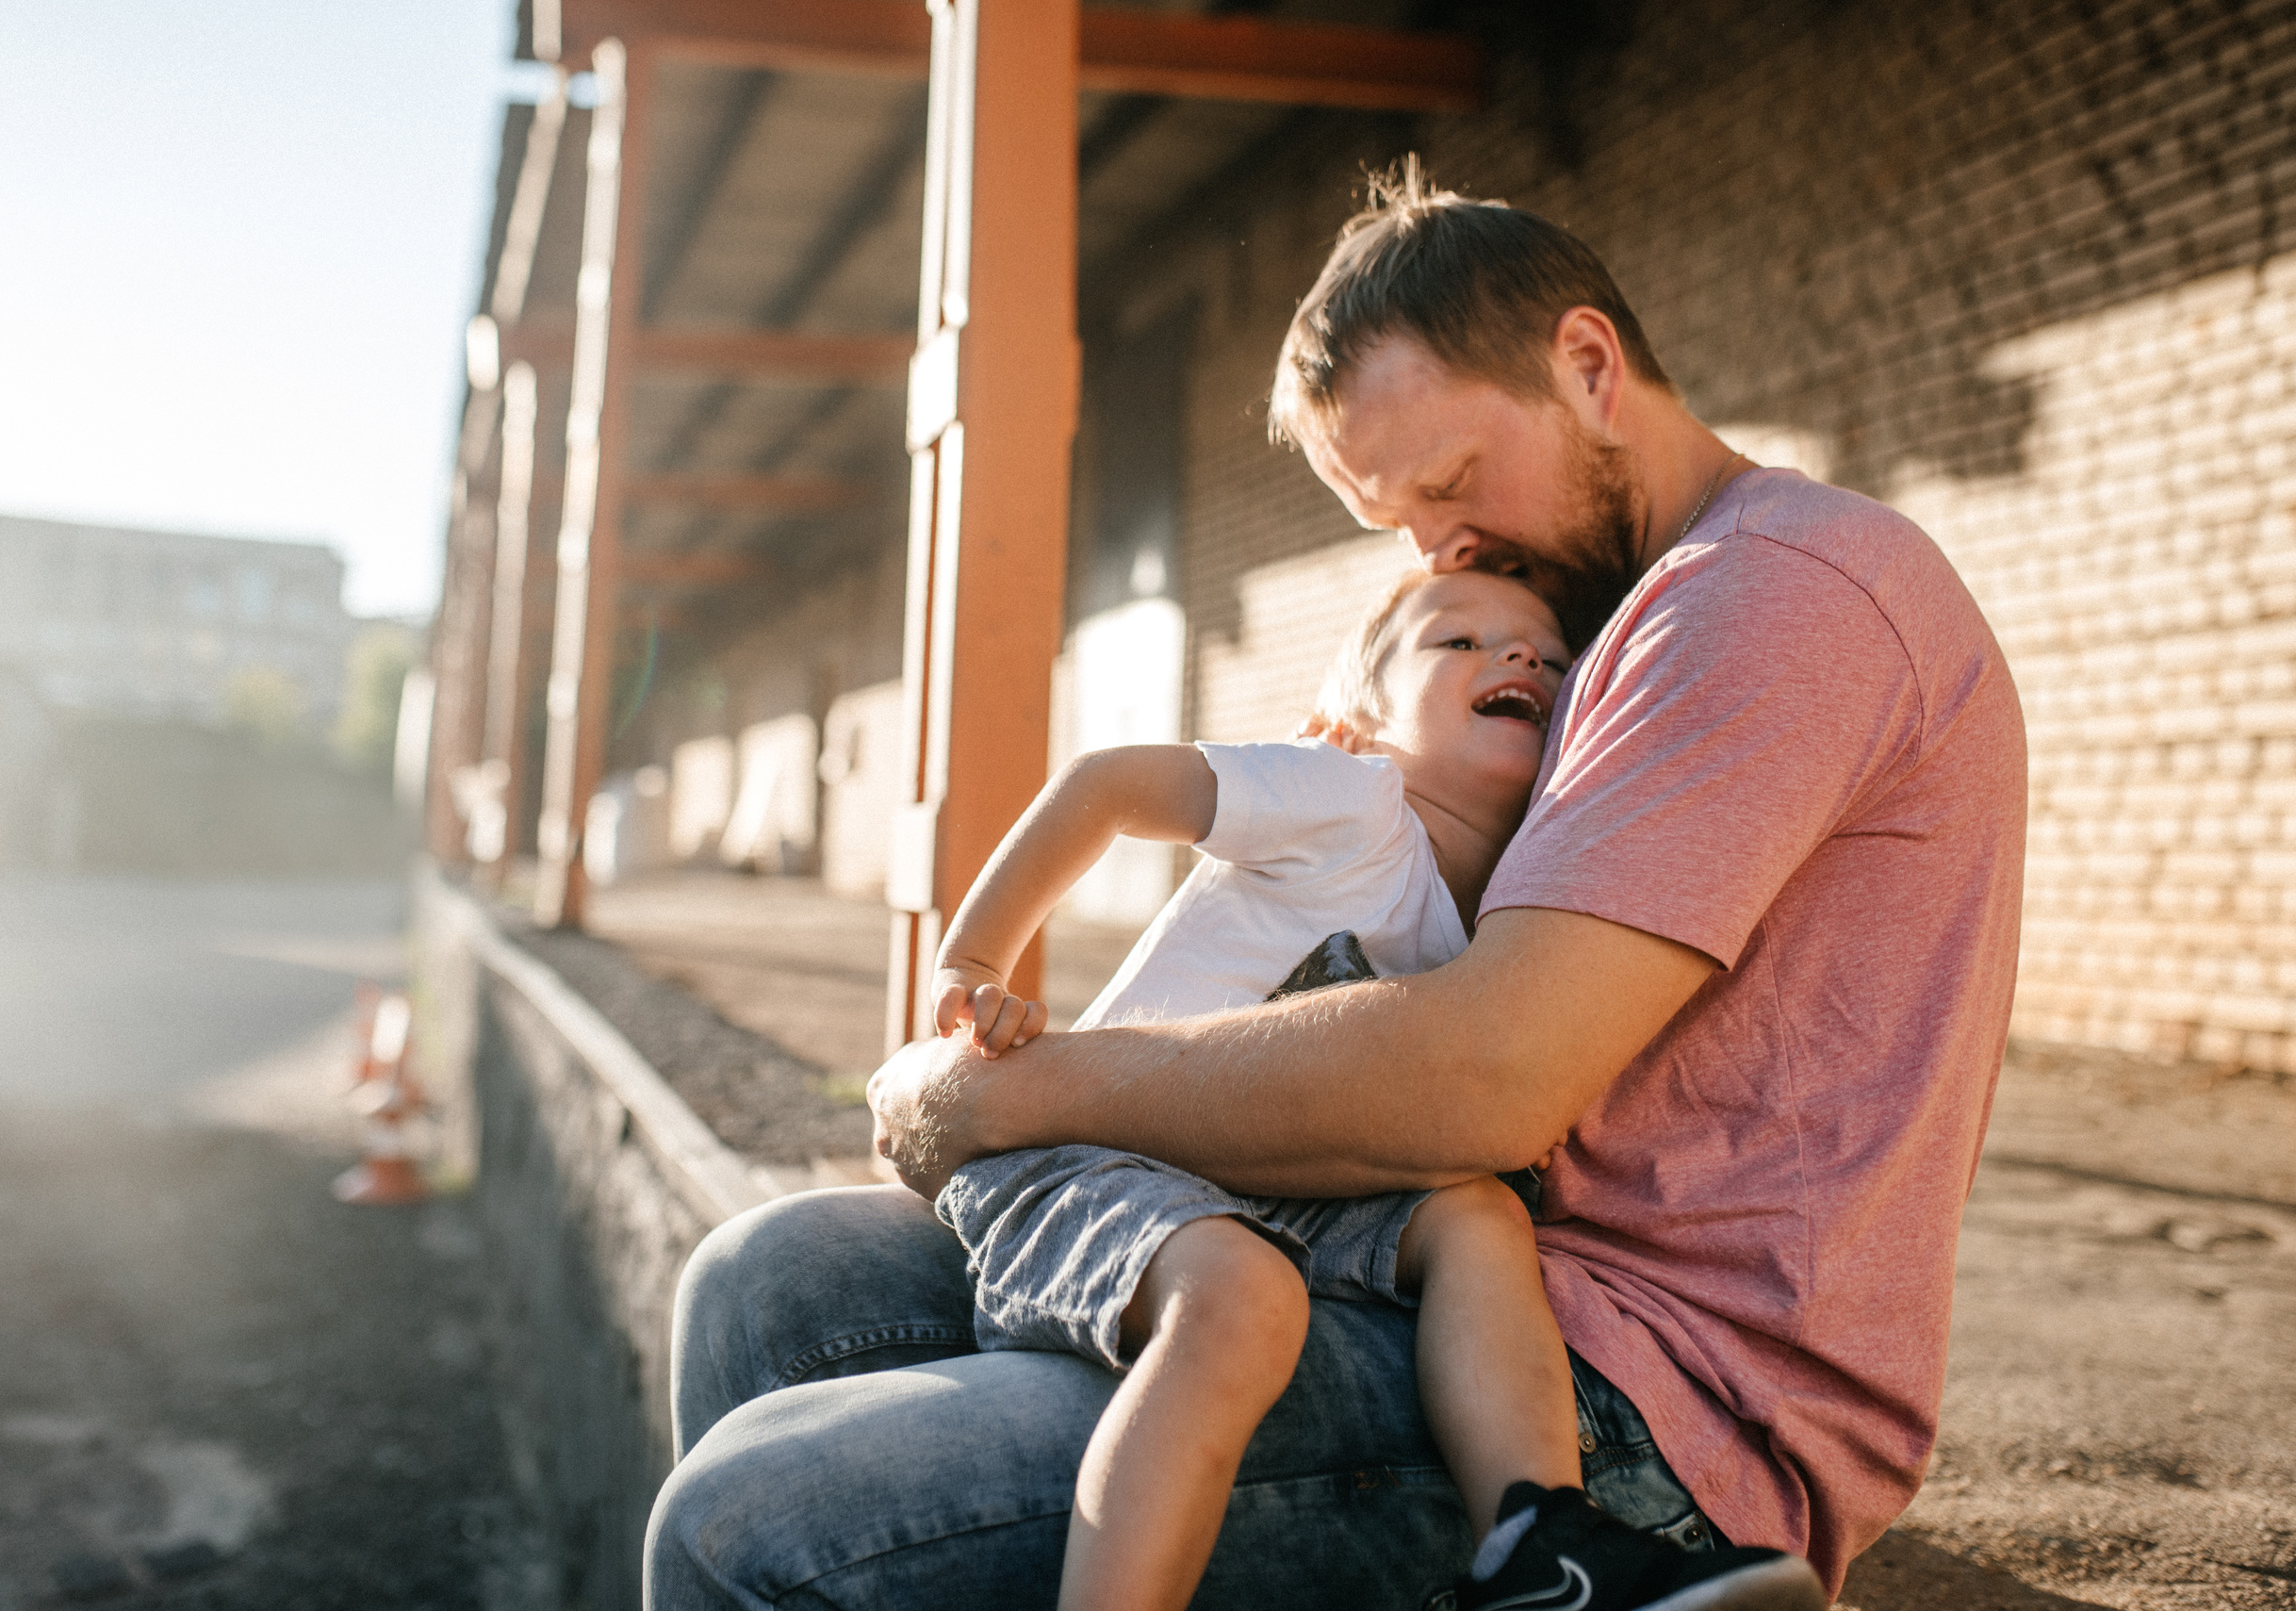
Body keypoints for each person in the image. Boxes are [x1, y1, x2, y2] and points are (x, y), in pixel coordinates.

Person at [648, 173, 2025, 1610]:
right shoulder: (1605, 632)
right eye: (1403, 527)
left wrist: (1023, 1091)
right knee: (767, 1282)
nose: (1446, 552)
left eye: (1448, 484)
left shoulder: (1769, 596)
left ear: (1591, 367)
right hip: (1448, 1273)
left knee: (753, 1528)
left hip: (1650, 1401)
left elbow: (1483, 1076)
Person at [926, 565, 1821, 1611]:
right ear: (1355, 717)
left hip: (1274, 1186)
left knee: (1479, 1216)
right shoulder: (1348, 796)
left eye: (1551, 654)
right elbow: (1107, 782)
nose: (1521, 655)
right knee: (1241, 1299)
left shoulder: (1514, 921)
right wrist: (976, 960)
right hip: (1090, 1151)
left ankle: (1541, 1545)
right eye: (1459, 641)